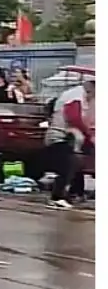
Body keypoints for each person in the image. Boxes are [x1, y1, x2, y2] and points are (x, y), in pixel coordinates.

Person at [44, 74, 94, 209]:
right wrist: (89, 135)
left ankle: (75, 193)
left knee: (77, 164)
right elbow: (74, 118)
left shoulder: (86, 97)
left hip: (72, 137)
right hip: (61, 136)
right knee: (67, 167)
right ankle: (57, 197)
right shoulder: (75, 96)